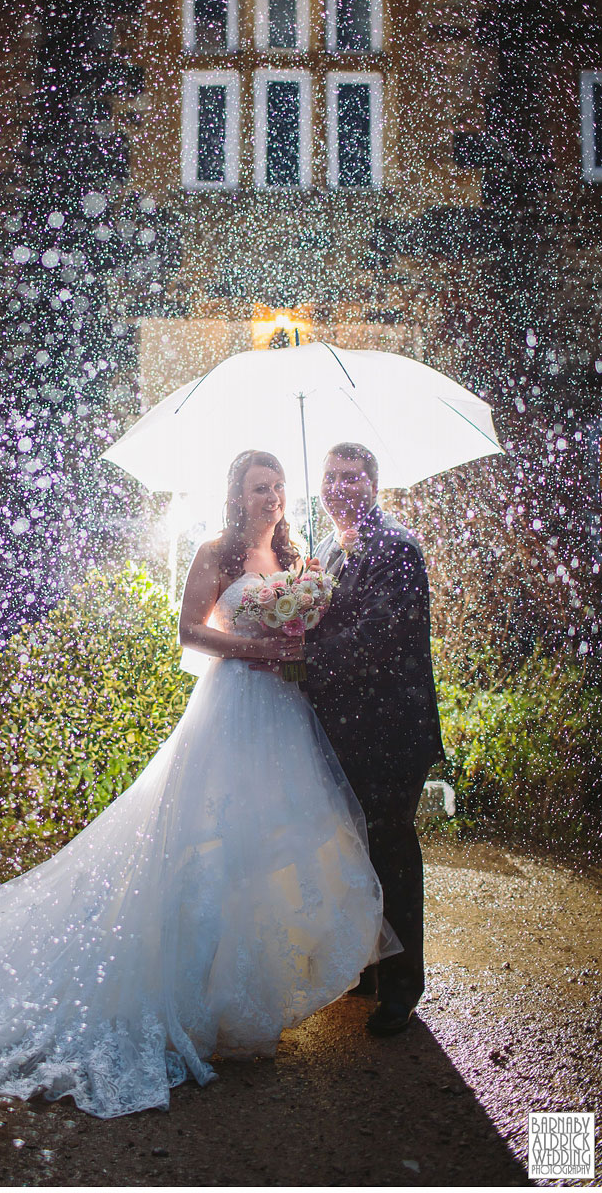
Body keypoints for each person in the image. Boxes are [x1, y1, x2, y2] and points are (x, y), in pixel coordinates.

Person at [0, 449, 397, 1119]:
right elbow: (189, 631)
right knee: (211, 847)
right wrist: (260, 649)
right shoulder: (215, 552)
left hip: (284, 715)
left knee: (272, 850)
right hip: (231, 708)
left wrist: (298, 642)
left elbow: (307, 631)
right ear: (237, 495)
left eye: (275, 488)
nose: (268, 499)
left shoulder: (300, 561)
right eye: (256, 488)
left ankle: (254, 997)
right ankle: (197, 998)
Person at [293, 443, 444, 1036]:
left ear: (373, 484)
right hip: (343, 729)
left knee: (392, 853)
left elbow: (375, 640)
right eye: (330, 477)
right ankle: (369, 967)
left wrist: (298, 655)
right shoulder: (327, 550)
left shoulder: (397, 549)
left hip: (392, 732)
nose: (338, 487)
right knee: (354, 853)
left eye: (351, 477)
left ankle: (403, 988)